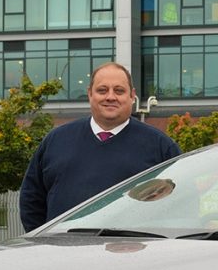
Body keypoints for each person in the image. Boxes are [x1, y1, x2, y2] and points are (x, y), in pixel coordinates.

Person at [20, 62, 181, 231]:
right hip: (63, 252)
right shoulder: (56, 141)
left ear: (132, 96)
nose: (110, 97)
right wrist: (45, 245)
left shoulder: (161, 146)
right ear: (90, 94)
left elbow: (179, 203)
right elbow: (31, 200)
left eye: (119, 91)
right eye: (102, 90)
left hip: (133, 253)